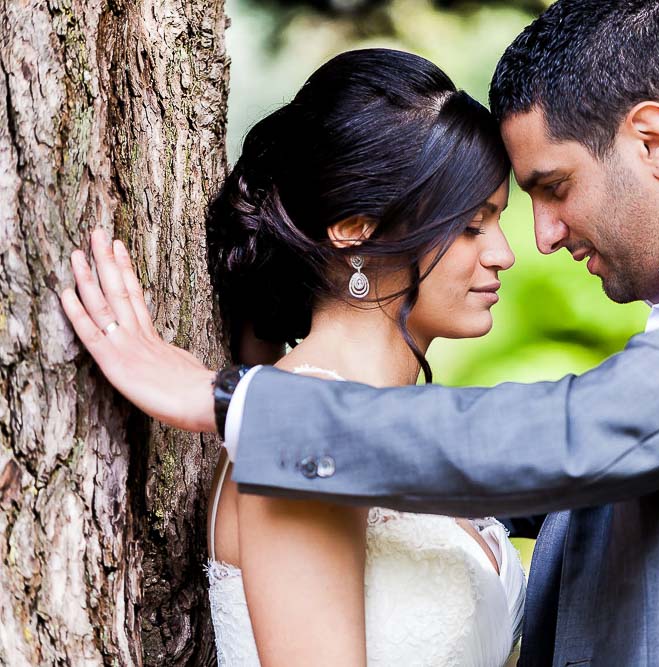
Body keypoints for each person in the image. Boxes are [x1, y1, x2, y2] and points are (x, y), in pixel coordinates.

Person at [61, 0, 659, 665]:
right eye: (485, 216)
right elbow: (559, 462)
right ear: (358, 228)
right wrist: (299, 404)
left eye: (550, 188)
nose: (540, 240)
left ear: (652, 140)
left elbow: (583, 434)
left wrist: (238, 402)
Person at [79, 48, 529, 666]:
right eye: (473, 225)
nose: (504, 253)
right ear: (356, 228)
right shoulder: (296, 444)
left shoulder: (375, 424)